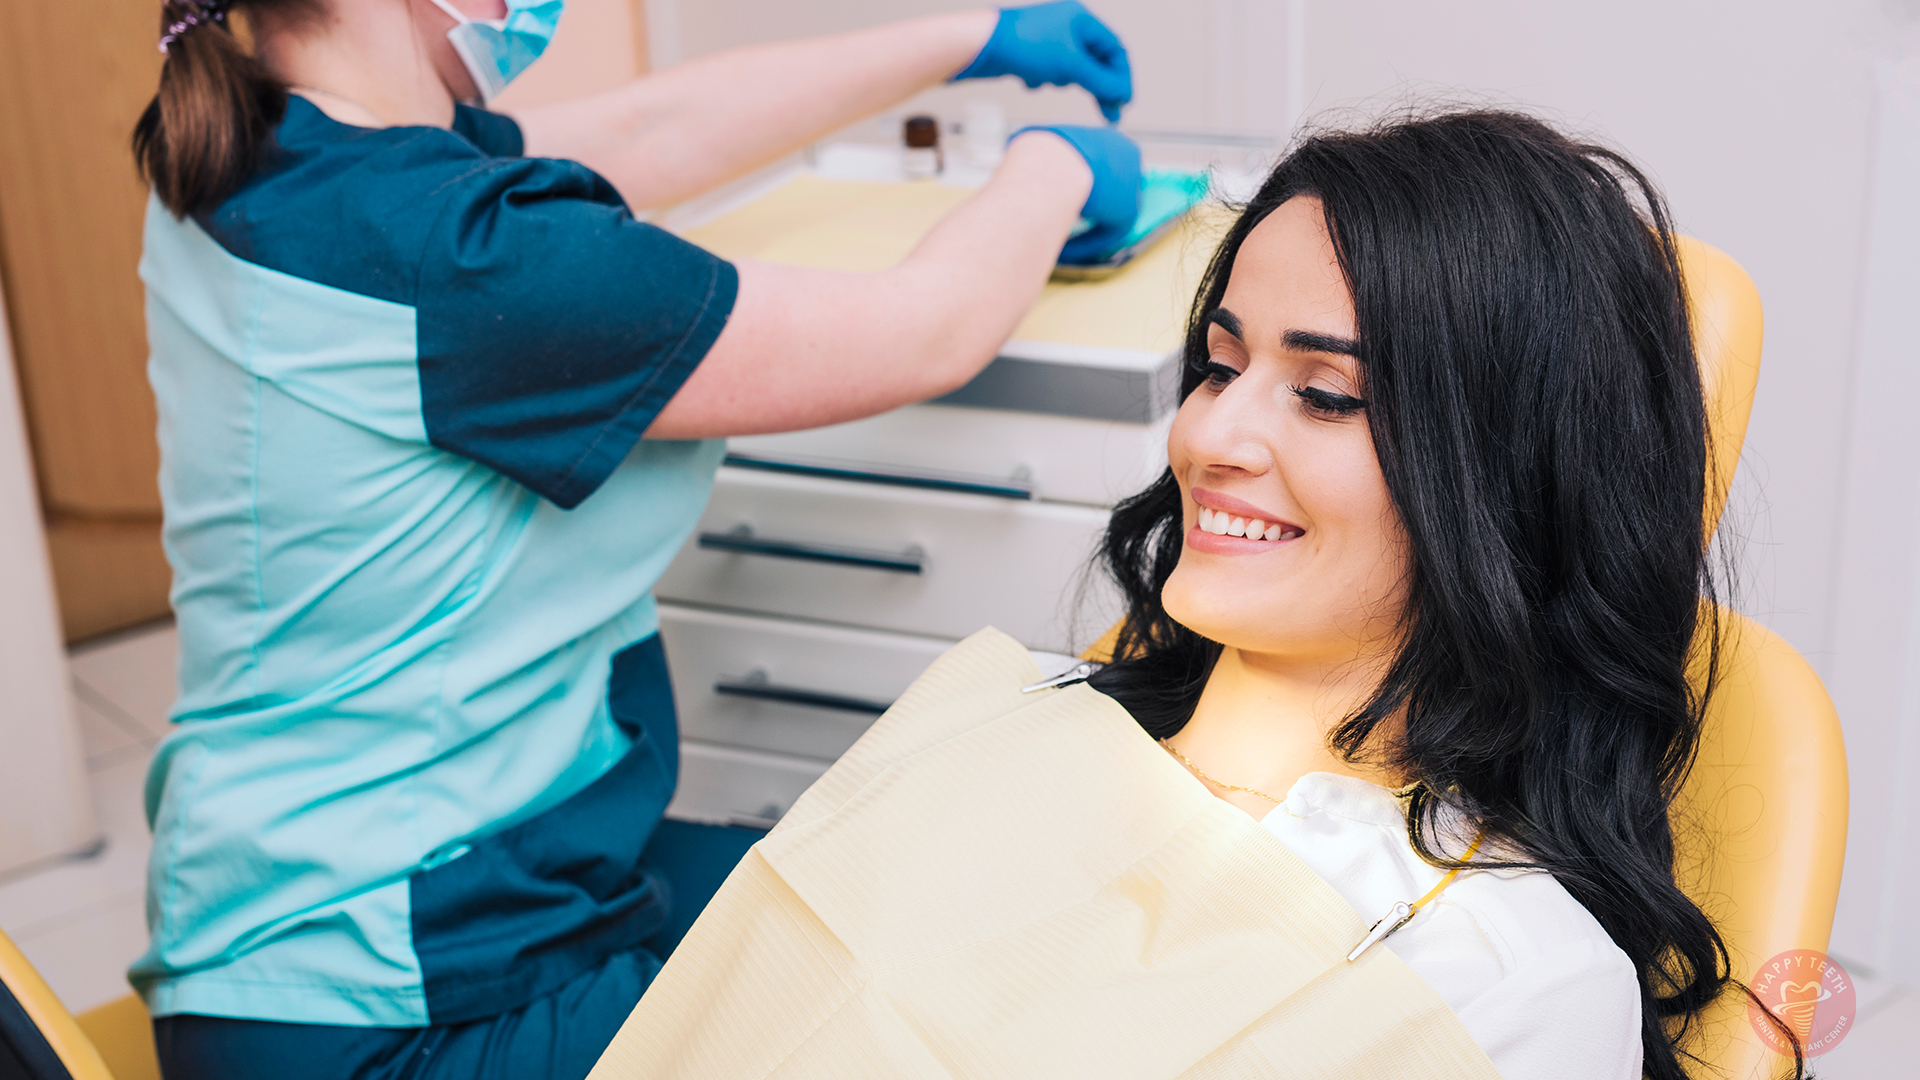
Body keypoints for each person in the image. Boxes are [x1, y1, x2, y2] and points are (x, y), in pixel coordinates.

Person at [591, 110, 1806, 1080]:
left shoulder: (1506, 978)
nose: (1211, 432)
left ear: (1508, 478)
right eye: (1220, 364)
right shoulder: (1013, 713)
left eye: (1326, 395)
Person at [126, 1, 1142, 1077]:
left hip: (289, 925)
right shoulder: (462, 253)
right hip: (399, 1006)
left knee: (881, 890)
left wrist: (968, 39)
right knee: (942, 996)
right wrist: (1053, 171)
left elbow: (660, 129)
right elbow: (928, 327)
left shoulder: (264, 156)